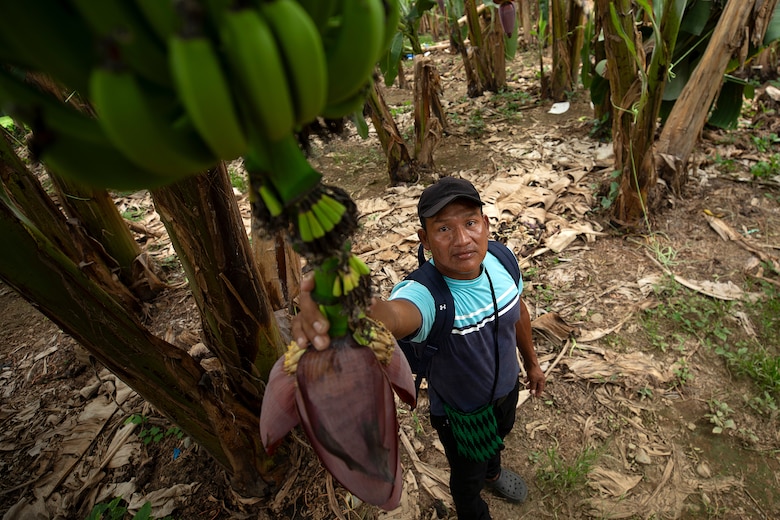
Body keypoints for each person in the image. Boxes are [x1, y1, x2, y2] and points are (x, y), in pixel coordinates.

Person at [292, 176, 546, 519]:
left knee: (499, 437)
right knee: (466, 477)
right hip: (461, 415)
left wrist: (532, 363)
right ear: (424, 239)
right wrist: (354, 301)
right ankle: (474, 510)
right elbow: (394, 316)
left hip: (507, 391)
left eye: (470, 223)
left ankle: (493, 471)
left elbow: (518, 311)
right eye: (443, 229)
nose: (462, 239)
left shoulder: (502, 260)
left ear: (485, 225)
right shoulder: (427, 295)